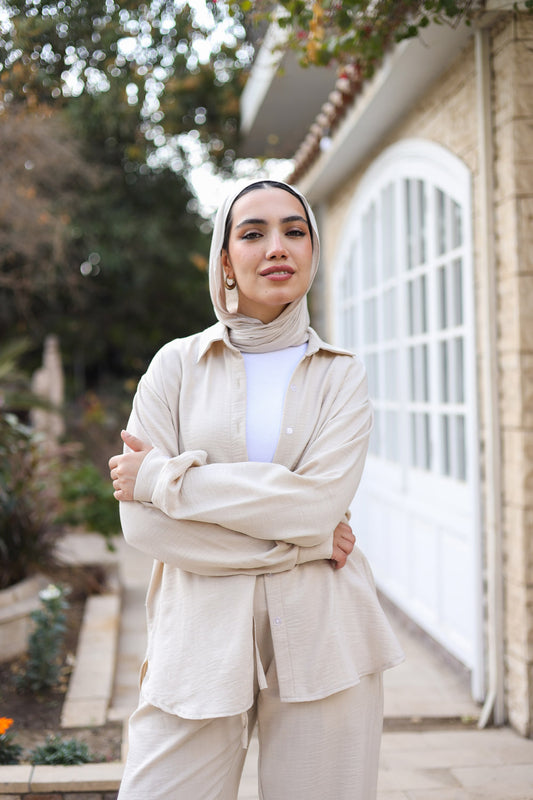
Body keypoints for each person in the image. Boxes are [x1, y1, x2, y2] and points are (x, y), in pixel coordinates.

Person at [108, 179, 404, 800]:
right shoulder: (174, 367)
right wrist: (306, 543)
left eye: (295, 231)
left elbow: (319, 506)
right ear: (226, 261)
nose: (278, 246)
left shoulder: (342, 376)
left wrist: (162, 479)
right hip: (196, 642)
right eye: (253, 232)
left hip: (326, 638)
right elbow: (144, 527)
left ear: (313, 255)